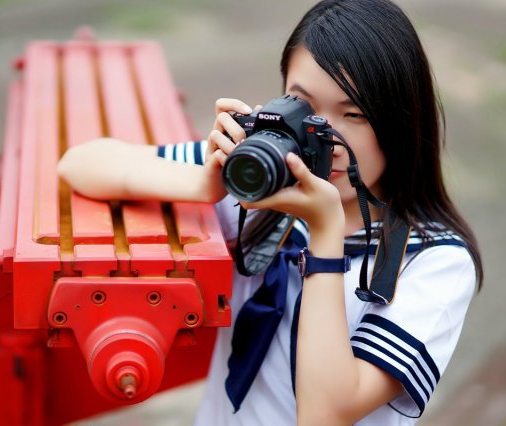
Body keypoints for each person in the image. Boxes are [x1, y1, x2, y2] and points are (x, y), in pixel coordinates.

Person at [57, 0, 483, 424]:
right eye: (304, 106)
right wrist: (202, 185)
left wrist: (324, 234)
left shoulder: (433, 261)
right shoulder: (261, 175)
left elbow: (324, 415)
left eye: (353, 114)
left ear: (401, 123)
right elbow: (81, 164)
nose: (325, 137)